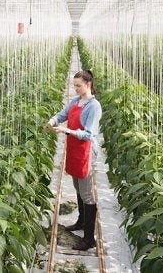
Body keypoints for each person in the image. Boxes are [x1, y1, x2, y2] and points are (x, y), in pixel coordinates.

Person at [47, 69, 102, 251]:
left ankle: (89, 238)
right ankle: (80, 221)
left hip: (85, 152)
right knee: (78, 186)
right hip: (74, 149)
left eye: (78, 85)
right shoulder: (76, 102)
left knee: (87, 194)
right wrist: (53, 121)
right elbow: (63, 114)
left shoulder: (94, 107)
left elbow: (88, 134)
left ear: (88, 84)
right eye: (74, 85)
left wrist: (66, 131)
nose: (76, 88)